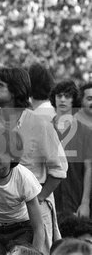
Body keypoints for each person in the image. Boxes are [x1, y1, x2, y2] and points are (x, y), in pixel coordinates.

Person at [0, 67, 67, 254]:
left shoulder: (41, 124)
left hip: (35, 209)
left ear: (15, 90)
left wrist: (40, 197)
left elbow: (59, 170)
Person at [50, 81, 92, 219]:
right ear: (54, 98)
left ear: (74, 100)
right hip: (50, 200)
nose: (62, 99)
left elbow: (88, 168)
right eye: (59, 95)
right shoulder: (44, 130)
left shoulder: (85, 132)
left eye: (67, 96)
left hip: (75, 199)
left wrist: (85, 203)